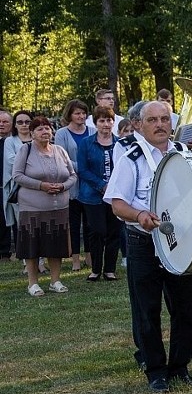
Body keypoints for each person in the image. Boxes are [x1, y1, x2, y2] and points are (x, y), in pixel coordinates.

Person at [104, 101, 192, 393]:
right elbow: (117, 204)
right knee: (147, 308)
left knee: (184, 308)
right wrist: (140, 215)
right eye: (152, 120)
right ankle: (155, 370)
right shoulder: (130, 158)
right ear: (138, 126)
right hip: (142, 242)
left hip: (180, 240)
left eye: (164, 119)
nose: (160, 125)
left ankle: (180, 366)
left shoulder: (183, 154)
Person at [14, 116, 77, 297]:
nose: (44, 132)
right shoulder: (25, 150)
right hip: (32, 208)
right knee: (32, 246)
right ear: (32, 133)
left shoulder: (60, 151)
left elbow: (72, 175)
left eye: (47, 128)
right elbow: (17, 175)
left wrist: (63, 186)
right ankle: (33, 283)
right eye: (40, 129)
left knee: (55, 244)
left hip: (59, 207)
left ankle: (55, 280)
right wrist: (41, 185)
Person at [77, 106, 120, 281]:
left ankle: (110, 269)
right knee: (97, 231)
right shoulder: (86, 143)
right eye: (102, 120)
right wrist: (102, 185)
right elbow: (83, 170)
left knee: (114, 232)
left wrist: (113, 187)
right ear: (95, 123)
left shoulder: (120, 143)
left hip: (116, 195)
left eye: (109, 120)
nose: (106, 124)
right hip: (92, 195)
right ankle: (95, 269)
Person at [54, 99, 95, 271]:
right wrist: (82, 168)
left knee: (90, 224)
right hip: (71, 185)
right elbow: (61, 158)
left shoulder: (93, 131)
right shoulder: (62, 133)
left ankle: (90, 257)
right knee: (73, 223)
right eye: (77, 113)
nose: (81, 116)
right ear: (70, 115)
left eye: (83, 113)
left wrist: (89, 171)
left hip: (91, 185)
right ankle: (75, 258)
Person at [4, 110, 34, 254]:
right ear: (15, 125)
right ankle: (25, 261)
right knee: (21, 224)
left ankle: (40, 261)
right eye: (20, 122)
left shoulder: (37, 139)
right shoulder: (10, 141)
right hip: (19, 188)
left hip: (37, 188)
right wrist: (34, 165)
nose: (24, 125)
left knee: (37, 224)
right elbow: (11, 161)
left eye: (27, 122)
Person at [0, 110, 14, 259]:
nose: (1, 125)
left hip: (11, 186)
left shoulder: (14, 142)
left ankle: (11, 250)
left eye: (5, 122)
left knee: (11, 219)